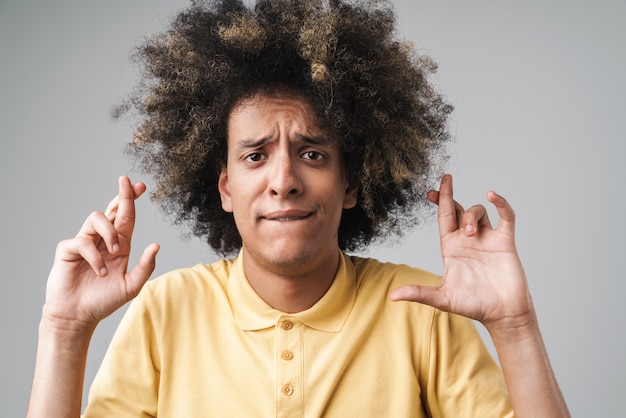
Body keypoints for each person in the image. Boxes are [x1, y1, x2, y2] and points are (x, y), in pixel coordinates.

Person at [27, 0, 570, 416]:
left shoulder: (424, 312)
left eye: (312, 153)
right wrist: (64, 330)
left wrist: (514, 324)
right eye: (256, 156)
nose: (283, 181)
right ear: (224, 189)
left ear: (351, 183)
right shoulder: (164, 312)